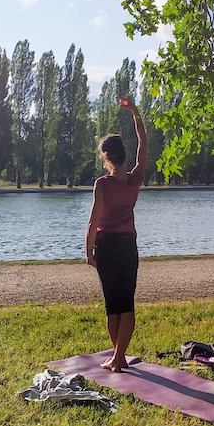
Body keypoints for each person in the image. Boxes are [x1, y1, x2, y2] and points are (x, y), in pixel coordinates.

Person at [85, 95, 147, 373]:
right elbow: (144, 145)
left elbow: (94, 219)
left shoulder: (103, 184)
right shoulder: (134, 180)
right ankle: (119, 356)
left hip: (107, 247)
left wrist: (88, 251)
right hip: (128, 247)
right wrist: (135, 114)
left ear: (107, 157)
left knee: (112, 304)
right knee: (127, 302)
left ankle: (118, 356)